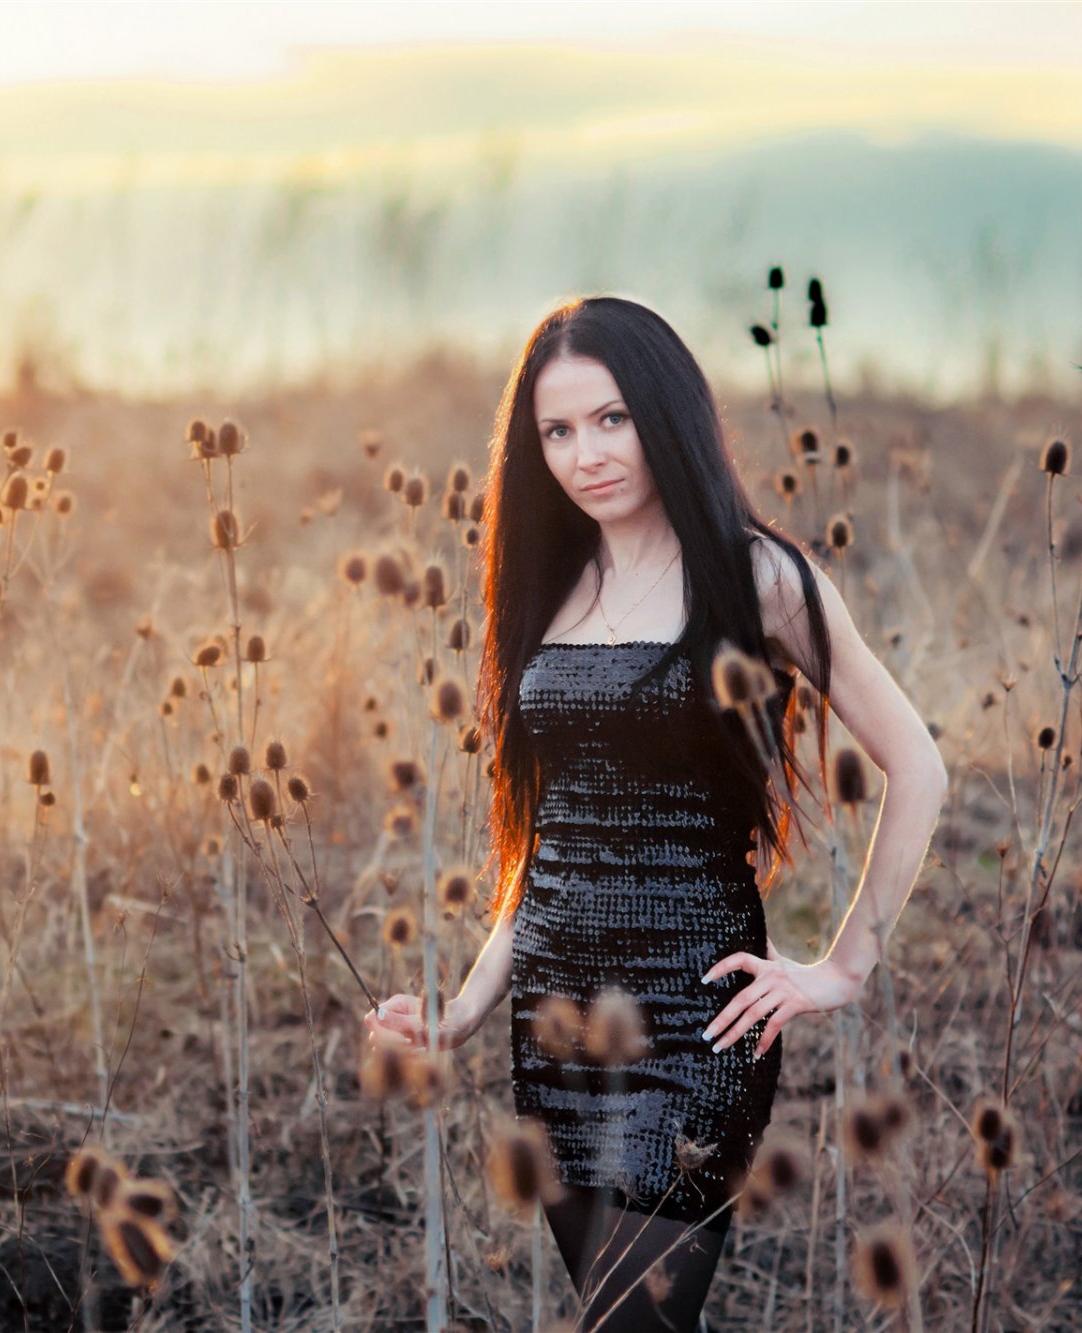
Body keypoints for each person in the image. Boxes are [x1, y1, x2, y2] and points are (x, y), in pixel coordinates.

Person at [361, 296, 948, 1329]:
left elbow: (918, 765)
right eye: (557, 430)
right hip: (555, 1029)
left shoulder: (756, 577)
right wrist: (459, 1010)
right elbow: (547, 844)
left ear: (666, 414)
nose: (585, 453)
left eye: (612, 418)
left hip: (694, 1026)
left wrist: (843, 967)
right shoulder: (548, 588)